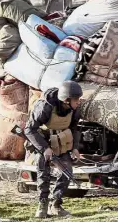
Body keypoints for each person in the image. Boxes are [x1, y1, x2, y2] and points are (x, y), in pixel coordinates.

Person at [25, 81, 83, 218]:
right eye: (76, 99)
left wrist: (75, 148)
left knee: (67, 172)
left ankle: (55, 205)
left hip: (61, 142)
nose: (78, 102)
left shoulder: (74, 110)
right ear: (66, 100)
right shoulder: (45, 107)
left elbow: (74, 128)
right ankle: (42, 205)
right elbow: (29, 129)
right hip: (42, 142)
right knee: (43, 174)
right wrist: (44, 148)